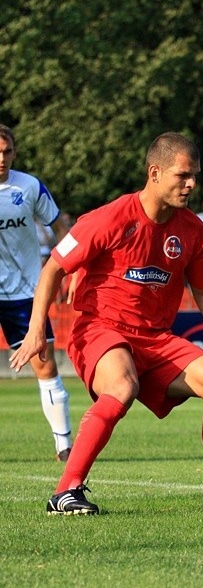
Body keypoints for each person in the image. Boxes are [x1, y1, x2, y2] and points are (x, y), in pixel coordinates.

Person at [10, 132, 203, 515]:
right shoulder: (110, 217)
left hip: (156, 339)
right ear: (155, 172)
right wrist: (35, 331)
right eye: (183, 175)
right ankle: (65, 492)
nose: (191, 184)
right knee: (122, 385)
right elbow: (52, 270)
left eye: (194, 175)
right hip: (100, 328)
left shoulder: (192, 230)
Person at [0, 124, 73, 462]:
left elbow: (60, 228)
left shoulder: (28, 187)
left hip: (25, 294)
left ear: (14, 152)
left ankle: (64, 445)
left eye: (7, 151)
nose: (1, 158)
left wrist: (70, 268)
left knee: (44, 367)